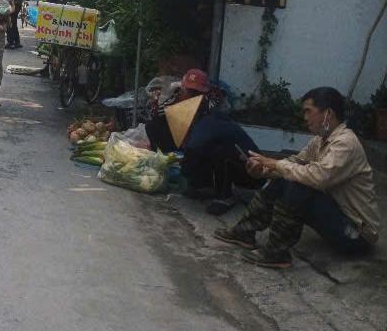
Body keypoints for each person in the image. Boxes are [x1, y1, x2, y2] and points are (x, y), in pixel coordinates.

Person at [215, 87, 379, 268]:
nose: (305, 117)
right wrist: (263, 170)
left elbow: (318, 177)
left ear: (328, 114)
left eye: (308, 111)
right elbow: (294, 163)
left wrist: (276, 164)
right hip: (336, 218)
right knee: (288, 176)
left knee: (299, 184)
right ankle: (244, 232)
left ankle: (276, 253)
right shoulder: (320, 140)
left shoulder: (346, 143)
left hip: (356, 235)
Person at [145, 69, 257, 210]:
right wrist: (177, 101)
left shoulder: (210, 109)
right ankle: (202, 185)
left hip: (249, 170)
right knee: (154, 125)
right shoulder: (179, 99)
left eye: (196, 93)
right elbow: (159, 114)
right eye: (189, 91)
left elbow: (197, 144)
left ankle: (224, 195)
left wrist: (185, 166)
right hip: (196, 141)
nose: (192, 96)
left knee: (216, 150)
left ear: (204, 93)